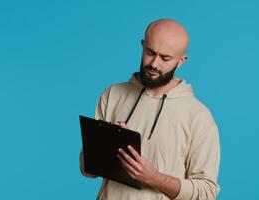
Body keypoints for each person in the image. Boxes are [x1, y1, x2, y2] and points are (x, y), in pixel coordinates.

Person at [79, 19, 221, 200]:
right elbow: (87, 170)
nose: (154, 63)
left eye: (165, 58)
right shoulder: (112, 95)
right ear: (142, 45)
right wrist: (105, 146)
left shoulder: (199, 116)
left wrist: (153, 178)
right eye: (150, 52)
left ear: (181, 61)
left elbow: (207, 193)